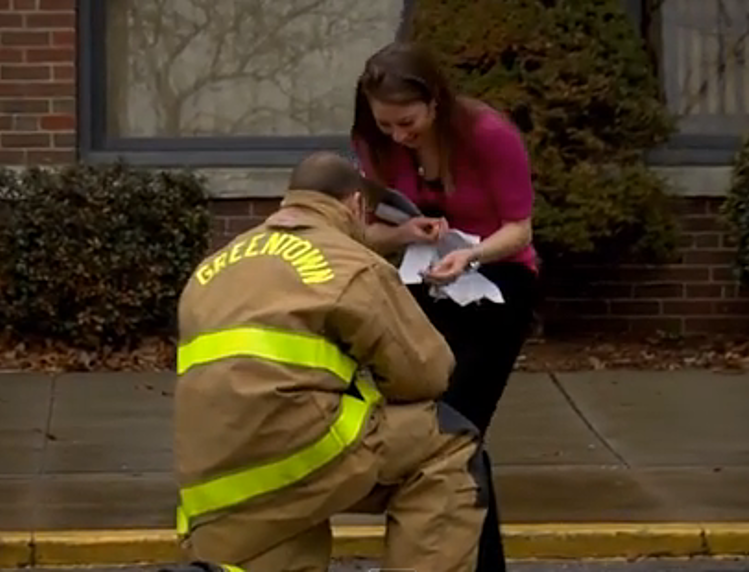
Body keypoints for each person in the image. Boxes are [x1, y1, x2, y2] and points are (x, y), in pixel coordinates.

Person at [173, 151, 488, 572]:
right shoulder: (351, 264)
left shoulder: (214, 266)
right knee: (448, 442)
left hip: (212, 477)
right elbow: (424, 375)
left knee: (283, 522)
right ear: (355, 204)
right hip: (301, 455)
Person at [351, 41, 540, 571]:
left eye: (407, 122)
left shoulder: (488, 134)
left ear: (435, 101)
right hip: (420, 276)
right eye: (386, 125)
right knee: (432, 434)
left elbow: (519, 229)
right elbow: (362, 229)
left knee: (455, 429)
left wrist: (470, 255)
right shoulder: (372, 142)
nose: (398, 136)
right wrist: (403, 232)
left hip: (496, 280)